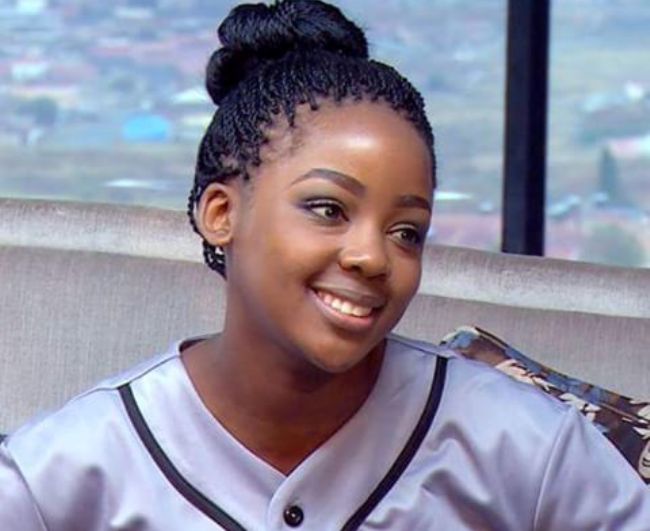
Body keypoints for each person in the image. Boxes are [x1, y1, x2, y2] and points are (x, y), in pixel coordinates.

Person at [1, 1, 649, 529]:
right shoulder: (62, 472)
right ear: (221, 212)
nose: (372, 256)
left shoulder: (528, 447)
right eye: (328, 208)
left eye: (406, 231)